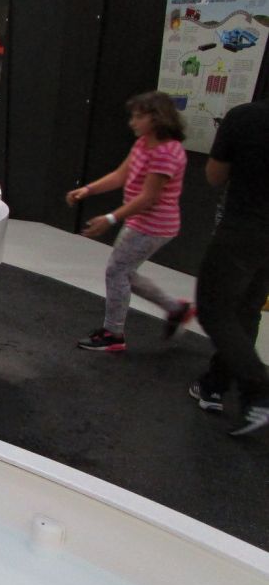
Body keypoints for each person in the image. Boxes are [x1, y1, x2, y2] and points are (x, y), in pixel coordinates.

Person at [66, 91, 191, 352]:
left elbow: (148, 197)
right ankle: (176, 309)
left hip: (153, 226)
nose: (132, 122)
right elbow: (120, 175)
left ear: (157, 118)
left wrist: (111, 218)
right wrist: (88, 189)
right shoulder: (143, 143)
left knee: (117, 272)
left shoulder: (167, 152)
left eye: (138, 117)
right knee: (124, 271)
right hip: (140, 222)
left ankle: (113, 334)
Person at [189, 98, 269, 437]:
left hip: (243, 228)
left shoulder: (246, 117)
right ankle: (216, 384)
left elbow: (214, 175)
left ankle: (258, 390)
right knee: (247, 310)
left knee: (214, 310)